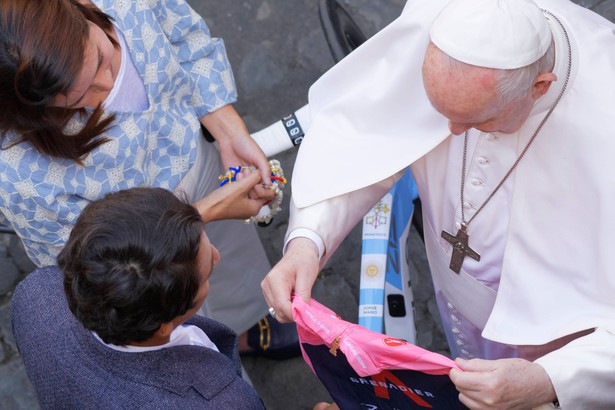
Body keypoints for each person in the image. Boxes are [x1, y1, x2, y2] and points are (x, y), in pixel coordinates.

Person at [261, 0, 615, 408]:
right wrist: (308, 240)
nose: (451, 131)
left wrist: (553, 379)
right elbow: (364, 131)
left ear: (540, 87)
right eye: (440, 112)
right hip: (454, 299)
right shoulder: (445, 19)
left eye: (475, 120)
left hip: (552, 341)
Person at [0, 0, 297, 356]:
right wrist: (203, 213)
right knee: (177, 325)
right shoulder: (20, 177)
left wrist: (227, 130)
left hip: (197, 162)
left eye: (102, 57)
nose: (107, 86)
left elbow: (186, 38)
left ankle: (245, 326)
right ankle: (215, 355)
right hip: (142, 259)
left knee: (232, 258)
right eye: (81, 98)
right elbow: (94, 265)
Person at [11, 186, 267, 408]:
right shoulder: (222, 402)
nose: (216, 255)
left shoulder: (35, 294)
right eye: (207, 272)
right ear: (163, 326)